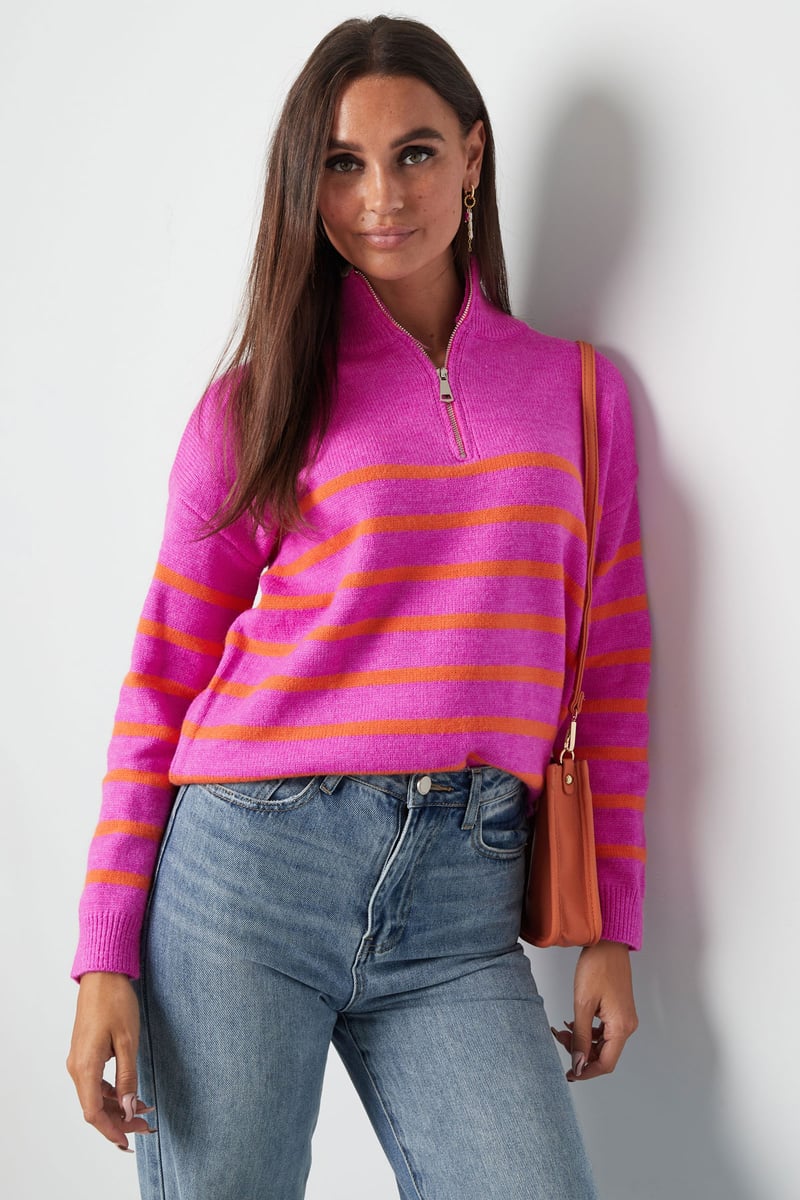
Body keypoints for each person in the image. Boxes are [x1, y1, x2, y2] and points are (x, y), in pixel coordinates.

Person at [66, 14, 650, 1199]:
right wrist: (104, 954)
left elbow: (611, 675)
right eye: (342, 163)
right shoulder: (256, 406)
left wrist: (611, 928)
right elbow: (165, 676)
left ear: (472, 156)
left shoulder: (577, 396)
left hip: (461, 902)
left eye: (414, 153)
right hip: (246, 875)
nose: (381, 195)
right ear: (308, 181)